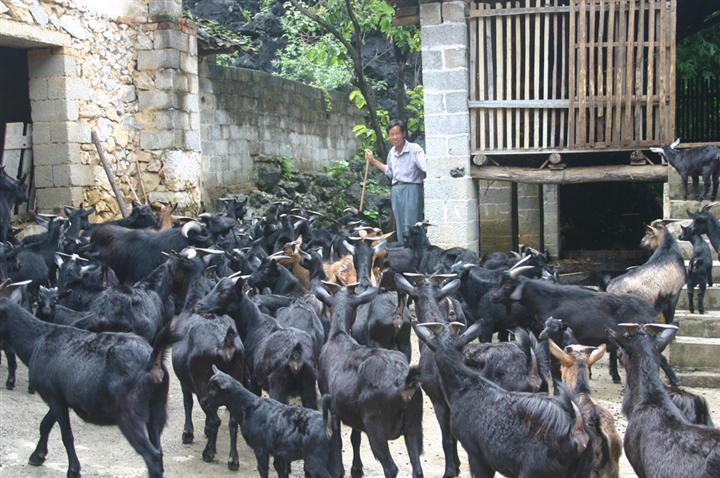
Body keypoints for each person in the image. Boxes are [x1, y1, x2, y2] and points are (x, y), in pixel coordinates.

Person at [365, 119, 427, 243]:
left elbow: (425, 167)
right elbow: (390, 172)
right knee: (399, 225)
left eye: (397, 133)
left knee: (412, 224)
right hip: (396, 190)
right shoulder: (391, 153)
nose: (394, 137)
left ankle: (415, 253)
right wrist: (373, 161)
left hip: (412, 189)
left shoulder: (415, 149)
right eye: (391, 134)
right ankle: (403, 253)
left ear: (404, 133)